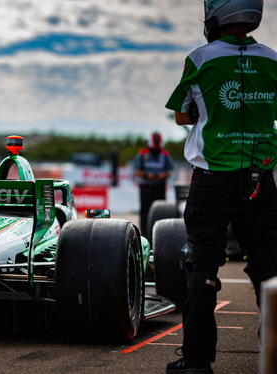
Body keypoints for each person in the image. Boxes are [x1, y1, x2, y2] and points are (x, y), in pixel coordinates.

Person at [165, 1, 277, 373]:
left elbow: (182, 113)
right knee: (269, 267)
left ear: (216, 15)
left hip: (213, 179)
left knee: (201, 268)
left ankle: (197, 361)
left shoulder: (201, 57)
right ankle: (274, 346)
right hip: (261, 179)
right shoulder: (272, 59)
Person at [133, 131, 173, 237]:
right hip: (146, 188)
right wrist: (147, 176)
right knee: (145, 213)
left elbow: (169, 171)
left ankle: (161, 234)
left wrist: (163, 175)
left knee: (161, 212)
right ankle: (144, 235)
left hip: (159, 188)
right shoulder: (142, 154)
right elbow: (137, 170)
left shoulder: (165, 155)